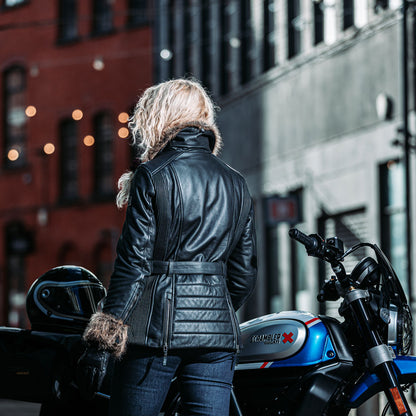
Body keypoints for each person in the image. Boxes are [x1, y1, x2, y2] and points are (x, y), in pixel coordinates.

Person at [77, 78, 257, 416]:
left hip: (153, 336)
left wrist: (102, 341)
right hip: (215, 339)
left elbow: (133, 266)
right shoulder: (236, 182)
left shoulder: (152, 176)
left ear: (160, 117)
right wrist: (210, 309)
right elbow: (244, 273)